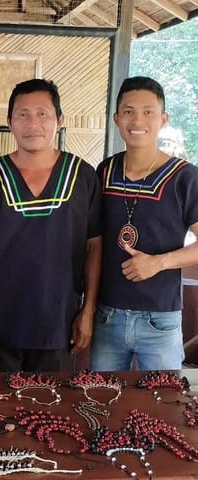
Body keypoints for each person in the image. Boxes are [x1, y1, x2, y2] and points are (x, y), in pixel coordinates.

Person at [0, 79, 102, 373]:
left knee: (52, 415)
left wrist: (88, 311)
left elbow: (95, 247)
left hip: (58, 327)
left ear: (60, 121)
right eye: (22, 114)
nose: (32, 123)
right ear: (9, 122)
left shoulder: (83, 176)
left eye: (42, 114)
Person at [90, 76, 198, 371]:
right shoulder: (105, 170)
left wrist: (159, 262)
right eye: (128, 111)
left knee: (165, 405)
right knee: (102, 403)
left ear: (163, 119)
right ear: (116, 118)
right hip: (107, 315)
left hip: (159, 319)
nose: (137, 120)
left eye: (148, 111)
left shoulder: (185, 177)